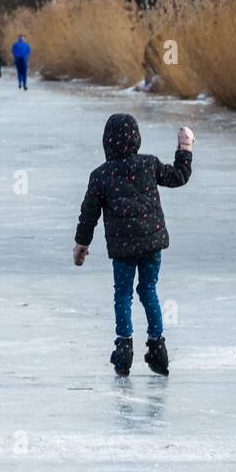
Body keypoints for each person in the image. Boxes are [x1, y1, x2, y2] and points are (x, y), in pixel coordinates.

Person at [72, 115, 195, 378]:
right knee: (148, 289)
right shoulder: (148, 164)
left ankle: (124, 347)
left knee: (123, 294)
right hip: (151, 242)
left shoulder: (101, 176)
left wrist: (81, 245)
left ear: (107, 142)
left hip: (123, 248)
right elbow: (179, 176)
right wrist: (185, 149)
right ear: (136, 139)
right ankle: (156, 345)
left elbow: (89, 213)